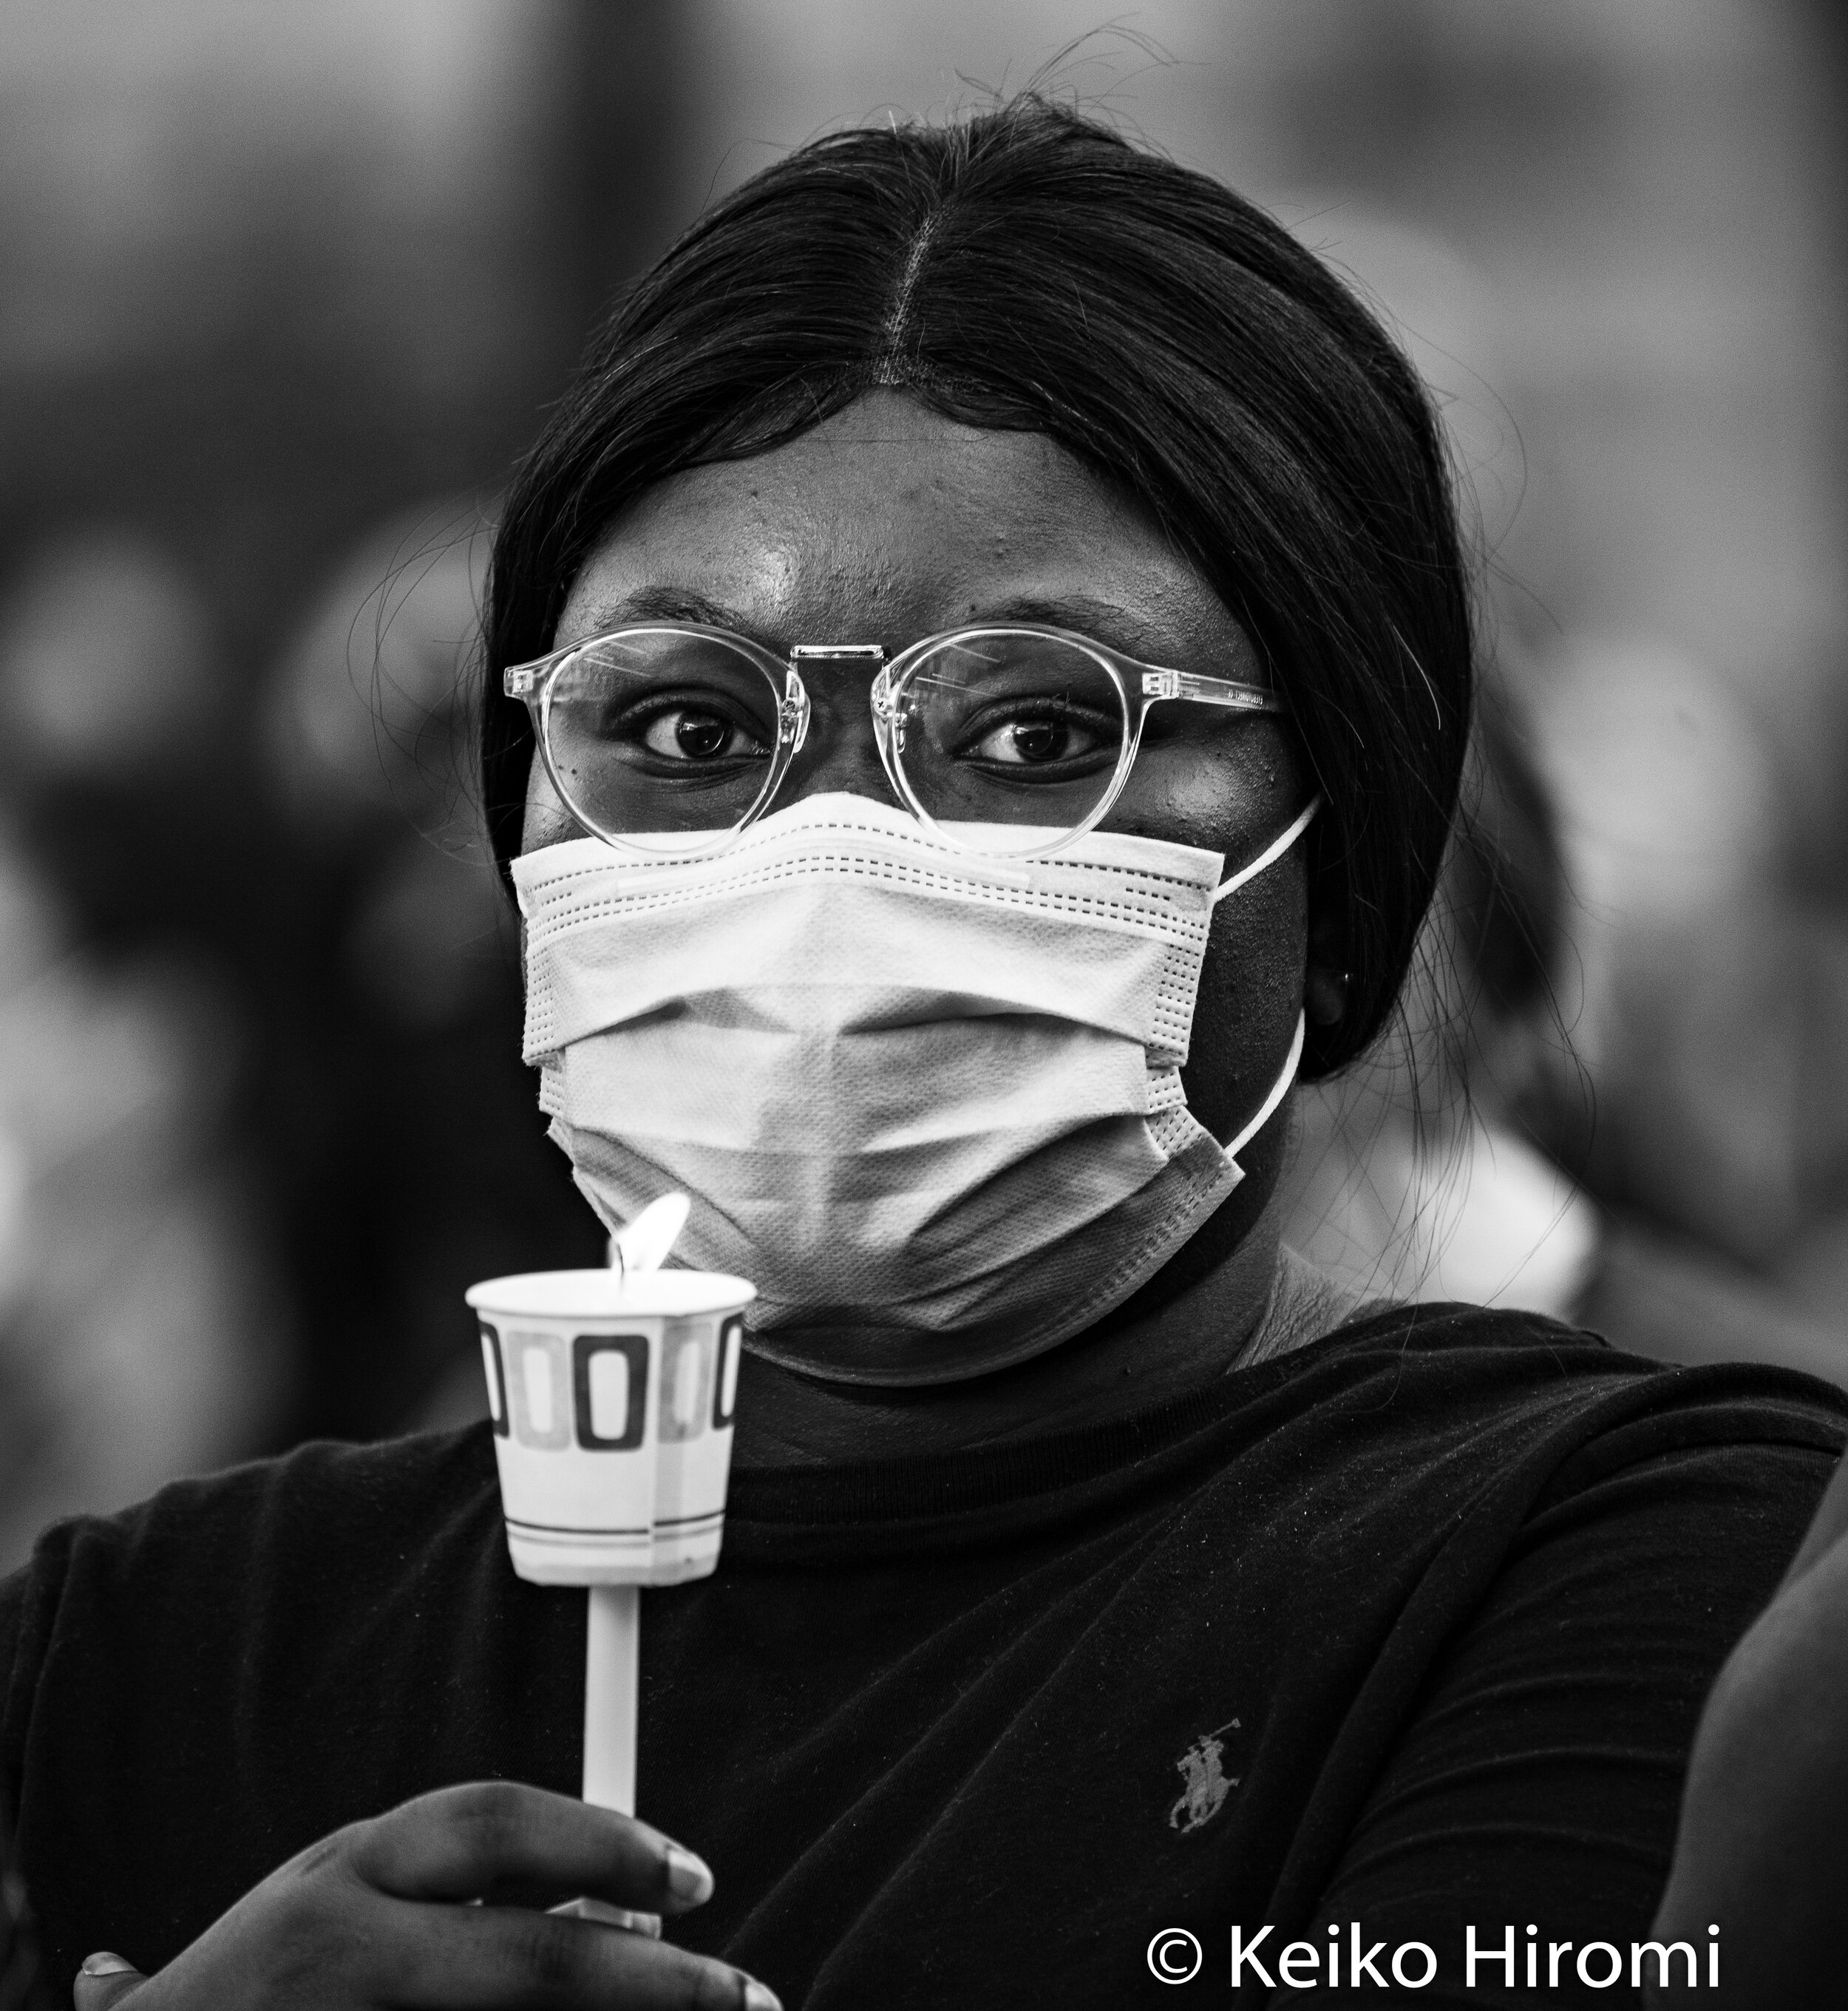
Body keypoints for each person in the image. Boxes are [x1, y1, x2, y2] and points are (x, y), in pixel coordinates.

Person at [4, 100, 1845, 2010]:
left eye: (1042, 735)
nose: (824, 861)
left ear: (1346, 874)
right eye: (688, 730)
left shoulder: (1618, 1565)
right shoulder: (155, 1655)